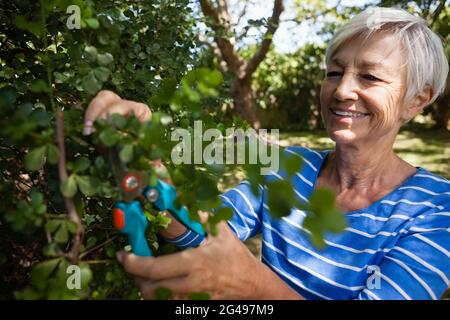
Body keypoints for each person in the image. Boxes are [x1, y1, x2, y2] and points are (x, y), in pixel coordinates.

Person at [83, 7, 450, 300]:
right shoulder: (292, 168)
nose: (341, 91)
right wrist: (138, 150)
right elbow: (200, 234)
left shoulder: (438, 209)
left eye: (369, 77)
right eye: (335, 72)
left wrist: (254, 287)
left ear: (417, 100)